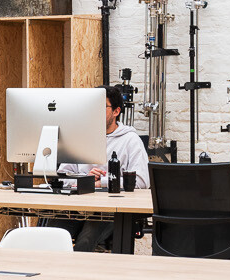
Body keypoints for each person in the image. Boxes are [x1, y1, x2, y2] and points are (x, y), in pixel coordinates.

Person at [51, 86, 153, 251]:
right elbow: (63, 176)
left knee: (84, 243)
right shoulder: (81, 136)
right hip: (78, 207)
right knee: (49, 236)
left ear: (116, 111)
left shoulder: (130, 140)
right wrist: (86, 180)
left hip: (111, 210)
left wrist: (102, 182)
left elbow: (141, 181)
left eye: (101, 106)